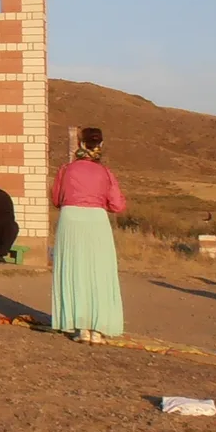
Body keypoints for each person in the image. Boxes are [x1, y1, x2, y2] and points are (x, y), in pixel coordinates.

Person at [50, 126, 128, 342]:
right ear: (100, 145)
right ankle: (98, 328)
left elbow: (56, 199)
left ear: (80, 144)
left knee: (74, 270)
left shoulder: (66, 170)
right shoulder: (105, 173)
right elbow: (118, 205)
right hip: (96, 220)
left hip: (71, 219)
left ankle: (79, 326)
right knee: (99, 272)